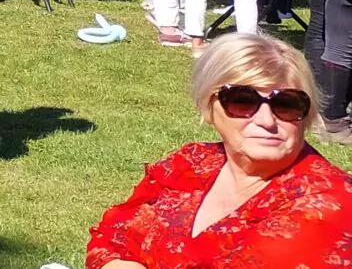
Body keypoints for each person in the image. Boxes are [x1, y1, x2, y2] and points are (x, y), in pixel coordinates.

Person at [86, 33, 352, 267]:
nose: (267, 120)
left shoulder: (330, 204)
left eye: (286, 104)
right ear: (208, 106)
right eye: (242, 101)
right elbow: (109, 241)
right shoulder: (192, 163)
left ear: (306, 114)